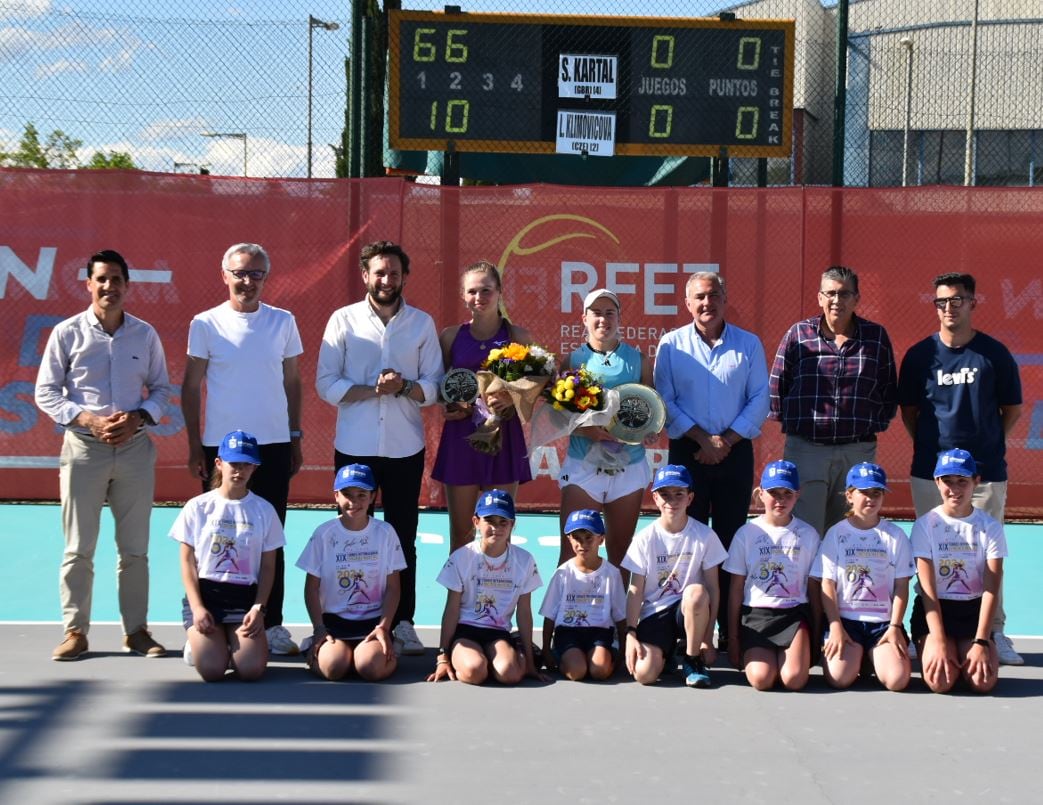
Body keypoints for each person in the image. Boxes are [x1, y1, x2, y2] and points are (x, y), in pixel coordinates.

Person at [35, 249, 171, 661]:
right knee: (78, 548)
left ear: (127, 286)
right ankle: (75, 632)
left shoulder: (145, 335)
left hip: (134, 450)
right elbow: (46, 392)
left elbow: (162, 389)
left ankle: (137, 632)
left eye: (117, 279)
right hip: (83, 450)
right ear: (89, 284)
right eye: (102, 279)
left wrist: (140, 419)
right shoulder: (66, 333)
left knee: (135, 550)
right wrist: (88, 421)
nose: (110, 286)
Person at [316, 240, 443, 656]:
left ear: (404, 277)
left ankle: (402, 622)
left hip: (405, 448)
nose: (386, 279)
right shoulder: (342, 320)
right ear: (365, 275)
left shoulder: (422, 324)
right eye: (379, 272)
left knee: (403, 536)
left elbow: (433, 386)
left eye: (394, 272)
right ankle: (338, 621)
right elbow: (326, 383)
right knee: (349, 536)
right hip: (354, 448)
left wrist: (403, 387)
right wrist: (374, 389)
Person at [181, 242, 303, 656]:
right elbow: (191, 386)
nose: (247, 281)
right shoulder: (205, 323)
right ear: (225, 275)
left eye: (256, 274)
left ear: (266, 278)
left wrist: (295, 435)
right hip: (221, 446)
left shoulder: (283, 322)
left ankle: (273, 622)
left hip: (272, 445)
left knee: (270, 535)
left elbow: (292, 383)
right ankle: (202, 623)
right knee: (213, 536)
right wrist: (195, 444)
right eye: (240, 273)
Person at [898, 272, 1023, 666]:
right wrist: (933, 453)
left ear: (972, 303)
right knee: (929, 555)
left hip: (984, 472)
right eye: (941, 302)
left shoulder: (994, 355)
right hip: (930, 472)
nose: (949, 308)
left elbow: (1012, 409)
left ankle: (994, 632)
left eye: (957, 300)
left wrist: (985, 448)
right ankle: (925, 630)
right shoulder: (920, 356)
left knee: (985, 556)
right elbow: (910, 412)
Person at [653, 272, 769, 653]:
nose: (707, 303)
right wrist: (703, 440)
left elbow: (759, 400)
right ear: (687, 303)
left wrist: (725, 441)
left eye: (714, 295)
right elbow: (664, 401)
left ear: (725, 298)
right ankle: (690, 631)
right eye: (699, 297)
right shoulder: (670, 345)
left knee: (732, 538)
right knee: (689, 540)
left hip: (735, 452)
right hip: (688, 454)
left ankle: (731, 631)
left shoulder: (749, 345)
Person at [769, 265, 898, 540]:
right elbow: (777, 387)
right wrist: (803, 427)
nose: (836, 301)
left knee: (850, 531)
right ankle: (808, 585)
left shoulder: (876, 337)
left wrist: (865, 426)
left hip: (857, 450)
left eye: (844, 294)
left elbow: (888, 391)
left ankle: (840, 586)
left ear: (857, 299)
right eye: (830, 294)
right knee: (805, 532)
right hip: (807, 449)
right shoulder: (799, 334)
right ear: (819, 297)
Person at [432, 261, 534, 551]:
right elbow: (440, 389)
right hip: (461, 440)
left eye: (487, 290)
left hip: (504, 439)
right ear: (463, 296)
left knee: (500, 533)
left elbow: (536, 389)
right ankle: (458, 598)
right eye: (473, 291)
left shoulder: (519, 337)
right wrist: (452, 404)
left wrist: (512, 400)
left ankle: (502, 597)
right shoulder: (450, 337)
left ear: (500, 292)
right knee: (461, 535)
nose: (480, 297)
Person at [171, 430, 283, 682]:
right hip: (206, 596)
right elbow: (187, 561)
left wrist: (259, 608)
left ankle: (225, 645)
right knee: (212, 671)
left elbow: (268, 567)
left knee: (251, 670)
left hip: (244, 598)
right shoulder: (198, 506)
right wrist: (198, 607)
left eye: (246, 465)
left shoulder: (264, 510)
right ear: (219, 464)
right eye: (234, 463)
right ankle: (202, 644)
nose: (239, 471)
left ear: (254, 468)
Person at [558, 288, 654, 577]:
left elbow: (651, 409)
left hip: (629, 466)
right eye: (596, 313)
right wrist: (591, 432)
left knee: (621, 553)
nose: (603, 319)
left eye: (609, 312)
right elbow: (560, 416)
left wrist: (646, 431)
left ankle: (619, 622)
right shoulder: (572, 360)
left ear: (619, 317)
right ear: (584, 318)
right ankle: (561, 622)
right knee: (571, 549)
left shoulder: (639, 360)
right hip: (582, 465)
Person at [295, 464, 404, 682]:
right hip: (334, 623)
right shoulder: (324, 534)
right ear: (336, 496)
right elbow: (311, 588)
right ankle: (318, 649)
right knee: (334, 668)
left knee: (370, 668)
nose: (354, 501)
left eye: (362, 495)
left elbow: (393, 588)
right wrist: (319, 628)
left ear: (373, 497)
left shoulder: (385, 533)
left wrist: (383, 626)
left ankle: (385, 648)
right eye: (347, 494)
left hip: (372, 623)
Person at [621, 464, 727, 688]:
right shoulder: (644, 538)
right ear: (655, 499)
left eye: (679, 494)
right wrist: (630, 633)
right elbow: (635, 590)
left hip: (688, 610)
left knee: (697, 592)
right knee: (645, 675)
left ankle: (692, 659)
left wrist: (708, 636)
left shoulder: (704, 535)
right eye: (665, 494)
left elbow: (714, 589)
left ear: (690, 498)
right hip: (655, 613)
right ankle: (666, 654)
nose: (672, 501)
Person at [811, 462, 913, 691]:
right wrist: (836, 625)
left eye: (877, 493)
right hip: (847, 623)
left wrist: (895, 626)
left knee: (897, 681)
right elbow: (827, 584)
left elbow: (901, 587)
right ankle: (862, 655)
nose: (871, 498)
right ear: (849, 495)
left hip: (882, 625)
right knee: (839, 679)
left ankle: (871, 654)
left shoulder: (895, 536)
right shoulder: (836, 533)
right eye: (864, 492)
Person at [909, 449, 1003, 694]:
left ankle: (968, 649)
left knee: (983, 683)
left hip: (972, 612)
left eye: (962, 481)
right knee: (941, 683)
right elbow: (927, 591)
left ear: (976, 481)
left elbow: (991, 589)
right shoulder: (924, 525)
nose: (955, 489)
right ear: (937, 482)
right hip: (936, 611)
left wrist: (982, 640)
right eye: (947, 481)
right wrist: (938, 640)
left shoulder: (990, 527)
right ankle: (939, 646)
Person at [427, 489, 543, 685]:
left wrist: (529, 663)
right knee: (474, 671)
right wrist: (442, 656)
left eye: (503, 522)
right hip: (465, 630)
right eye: (490, 521)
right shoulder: (461, 557)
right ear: (476, 522)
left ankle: (516, 650)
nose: (496, 528)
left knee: (511, 674)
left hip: (498, 632)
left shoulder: (524, 560)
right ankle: (472, 657)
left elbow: (524, 612)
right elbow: (452, 610)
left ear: (512, 525)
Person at [724, 460, 818, 691]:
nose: (781, 500)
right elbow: (736, 589)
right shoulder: (746, 534)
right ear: (761, 494)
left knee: (794, 680)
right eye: (774, 493)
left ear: (798, 495)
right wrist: (733, 639)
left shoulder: (808, 534)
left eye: (787, 493)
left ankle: (793, 652)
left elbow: (814, 588)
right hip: (756, 616)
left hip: (794, 615)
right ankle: (763, 654)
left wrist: (816, 637)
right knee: (761, 680)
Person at [540, 509, 627, 681]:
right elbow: (549, 614)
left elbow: (620, 616)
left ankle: (609, 651)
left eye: (589, 538)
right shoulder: (562, 573)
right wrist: (545, 650)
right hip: (568, 631)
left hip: (600, 632)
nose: (582, 544)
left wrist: (624, 649)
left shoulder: (612, 573)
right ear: (569, 539)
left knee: (600, 671)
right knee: (577, 672)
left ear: (601, 539)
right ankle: (562, 654)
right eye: (577, 538)